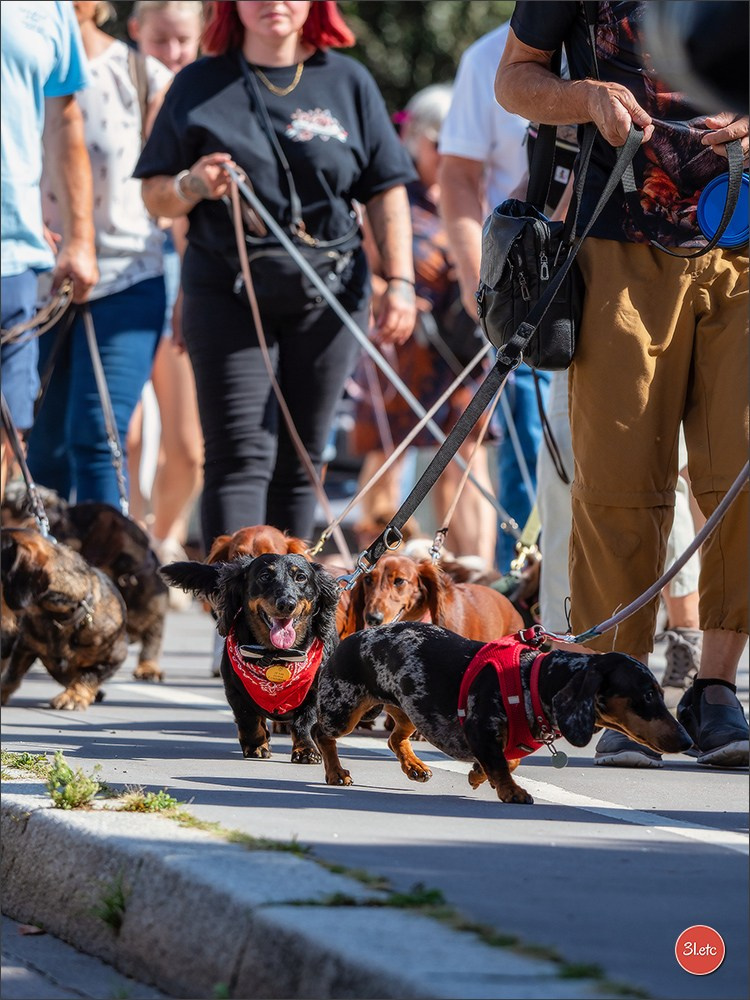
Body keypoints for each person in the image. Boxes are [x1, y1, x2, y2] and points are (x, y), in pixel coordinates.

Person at [497, 0, 748, 768]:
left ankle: (716, 689)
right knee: (617, 476)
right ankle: (622, 694)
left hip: (742, 244)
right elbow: (515, 78)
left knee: (738, 472)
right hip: (616, 240)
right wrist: (586, 99)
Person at [134, 0, 416, 556]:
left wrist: (401, 281)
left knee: (304, 456)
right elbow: (154, 195)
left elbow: (386, 189)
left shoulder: (348, 81)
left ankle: (291, 627)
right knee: (239, 455)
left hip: (331, 293)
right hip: (228, 291)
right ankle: (237, 624)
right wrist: (192, 185)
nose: (274, 4)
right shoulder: (197, 83)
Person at [26, 0, 172, 509]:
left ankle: (104, 580)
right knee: (41, 446)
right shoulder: (20, 64)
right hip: (37, 279)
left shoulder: (141, 74)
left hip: (126, 276)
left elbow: (166, 189)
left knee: (96, 436)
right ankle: (42, 579)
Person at [350, 84, 498, 568]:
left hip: (462, 348)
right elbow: (363, 269)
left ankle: (478, 577)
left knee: (465, 455)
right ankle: (376, 573)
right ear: (416, 138)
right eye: (440, 142)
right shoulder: (391, 197)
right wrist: (393, 293)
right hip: (403, 347)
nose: (447, 152)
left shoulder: (477, 193)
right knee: (388, 459)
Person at [438, 21, 551, 574]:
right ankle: (523, 603)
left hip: (623, 267)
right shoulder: (486, 57)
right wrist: (473, 274)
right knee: (528, 448)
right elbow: (456, 174)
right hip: (526, 284)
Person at [0, 0, 97, 496]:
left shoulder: (52, 7)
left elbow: (63, 120)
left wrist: (80, 235)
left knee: (9, 443)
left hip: (15, 258)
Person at [126, 0, 205, 587]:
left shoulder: (202, 96)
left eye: (185, 41)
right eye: (162, 40)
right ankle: (127, 542)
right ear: (136, 31)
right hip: (116, 269)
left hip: (178, 266)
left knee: (187, 444)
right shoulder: (114, 81)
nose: (173, 54)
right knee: (126, 435)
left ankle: (161, 536)